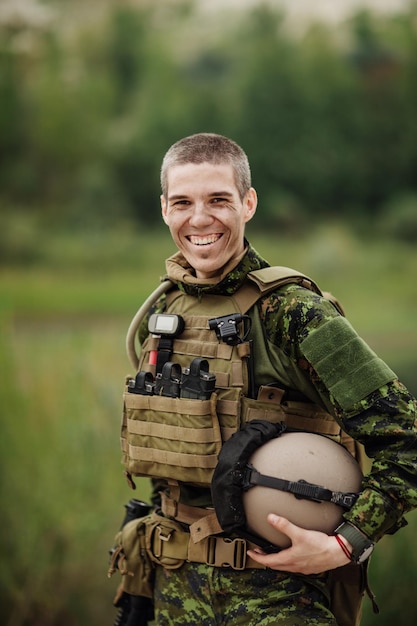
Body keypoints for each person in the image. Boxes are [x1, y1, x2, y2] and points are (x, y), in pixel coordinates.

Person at [118, 133, 417, 625]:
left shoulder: (292, 312)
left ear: (248, 203)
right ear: (164, 209)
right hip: (174, 592)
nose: (199, 219)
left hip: (276, 600)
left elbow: (405, 440)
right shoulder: (167, 308)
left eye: (218, 200)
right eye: (182, 202)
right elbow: (174, 454)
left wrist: (346, 544)